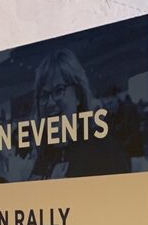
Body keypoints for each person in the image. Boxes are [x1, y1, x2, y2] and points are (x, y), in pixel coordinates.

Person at [23, 48, 130, 181]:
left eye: (59, 90)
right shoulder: (45, 154)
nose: (50, 103)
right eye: (43, 96)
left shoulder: (103, 150)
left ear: (78, 95)